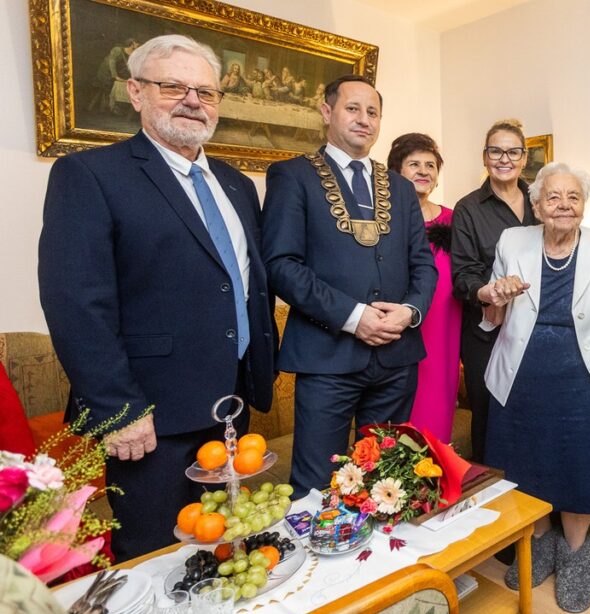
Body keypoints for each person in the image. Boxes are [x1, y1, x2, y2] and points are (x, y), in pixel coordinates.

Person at [38, 34, 276, 561]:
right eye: (173, 86)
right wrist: (118, 409)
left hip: (232, 405)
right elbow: (76, 302)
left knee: (224, 546)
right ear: (135, 92)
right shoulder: (90, 174)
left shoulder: (237, 185)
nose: (193, 101)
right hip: (150, 417)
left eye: (206, 92)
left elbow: (241, 283)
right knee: (154, 559)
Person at [481, 162, 590, 613]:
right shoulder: (512, 241)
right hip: (520, 376)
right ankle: (540, 542)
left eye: (573, 197)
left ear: (583, 205)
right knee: (525, 462)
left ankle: (576, 554)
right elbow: (493, 312)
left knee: (581, 463)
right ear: (537, 206)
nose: (564, 205)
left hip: (583, 378)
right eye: (553, 197)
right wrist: (493, 296)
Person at [262, 74, 437, 495]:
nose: (364, 119)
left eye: (372, 112)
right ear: (327, 112)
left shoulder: (400, 186)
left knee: (388, 484)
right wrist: (354, 317)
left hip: (396, 357)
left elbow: (423, 264)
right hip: (328, 359)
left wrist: (410, 311)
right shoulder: (292, 176)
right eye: (353, 109)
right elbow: (281, 265)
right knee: (316, 487)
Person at [451, 119, 536, 461]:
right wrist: (488, 291)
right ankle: (494, 490)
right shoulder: (468, 208)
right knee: (490, 419)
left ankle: (534, 491)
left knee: (532, 415)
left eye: (513, 152)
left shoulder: (542, 200)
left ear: (524, 157)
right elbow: (462, 276)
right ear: (484, 157)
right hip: (486, 333)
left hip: (534, 328)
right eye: (496, 151)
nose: (504, 159)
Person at [387, 133, 461, 441]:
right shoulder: (386, 218)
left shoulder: (454, 218)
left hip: (447, 324)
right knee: (404, 406)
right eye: (414, 164)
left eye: (430, 165)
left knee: (440, 404)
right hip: (406, 323)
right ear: (396, 171)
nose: (423, 171)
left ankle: (436, 466)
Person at [90, 37, 139, 112]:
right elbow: (111, 62)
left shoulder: (131, 54)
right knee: (106, 89)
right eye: (137, 43)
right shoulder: (117, 50)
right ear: (132, 44)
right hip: (106, 72)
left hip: (115, 73)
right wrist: (115, 76)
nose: (138, 45)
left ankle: (107, 109)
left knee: (113, 89)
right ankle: (103, 109)